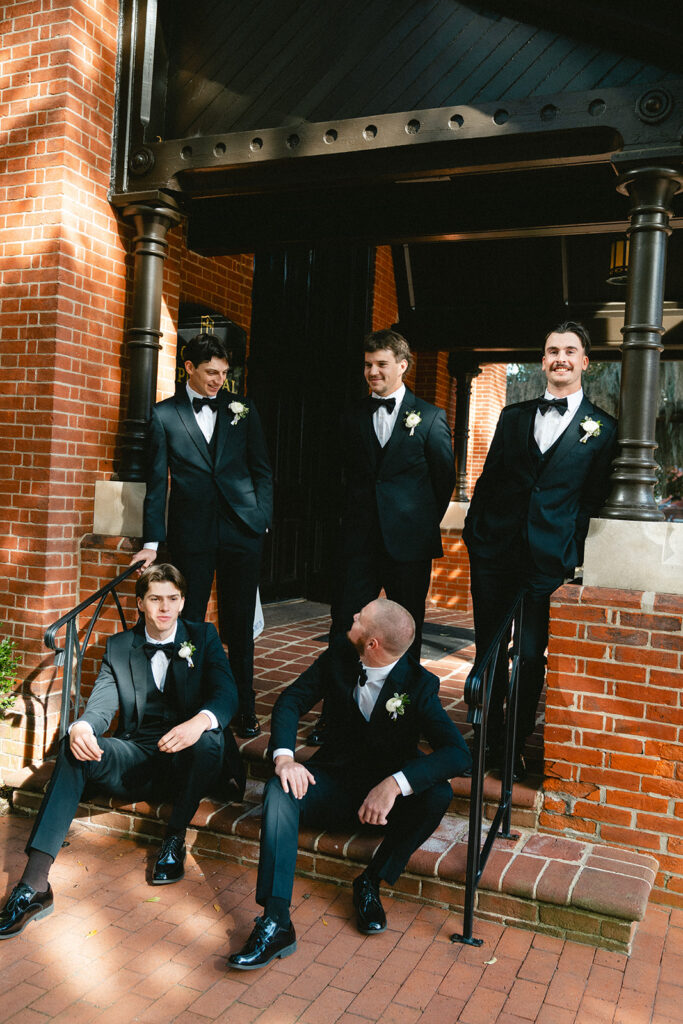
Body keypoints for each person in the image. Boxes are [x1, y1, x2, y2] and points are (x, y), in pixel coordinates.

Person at [0, 564, 243, 940]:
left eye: (173, 599)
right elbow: (100, 707)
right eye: (156, 599)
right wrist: (81, 726)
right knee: (73, 746)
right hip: (138, 757)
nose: (165, 608)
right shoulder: (118, 647)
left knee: (211, 737)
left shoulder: (204, 637)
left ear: (182, 602)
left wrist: (199, 722)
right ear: (141, 604)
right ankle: (34, 887)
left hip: (190, 761)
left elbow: (227, 695)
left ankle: (174, 838)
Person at [228, 598, 471, 970]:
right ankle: (276, 920)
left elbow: (458, 754)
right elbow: (291, 701)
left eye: (360, 618)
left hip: (383, 807)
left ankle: (370, 882)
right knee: (279, 789)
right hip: (332, 784)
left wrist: (393, 784)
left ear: (372, 642)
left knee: (438, 792)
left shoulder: (419, 686)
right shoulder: (339, 656)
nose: (352, 616)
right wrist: (285, 758)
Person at [463, 321, 618, 777]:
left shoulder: (603, 429)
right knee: (489, 650)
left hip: (548, 559)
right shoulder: (514, 416)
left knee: (530, 655)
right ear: (543, 360)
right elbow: (489, 481)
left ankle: (514, 746)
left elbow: (593, 501)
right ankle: (486, 741)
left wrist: (571, 551)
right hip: (494, 553)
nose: (561, 358)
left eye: (570, 351)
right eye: (553, 350)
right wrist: (476, 535)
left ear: (585, 362)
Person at [131, 332, 273, 739]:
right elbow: (157, 484)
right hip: (191, 534)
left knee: (240, 622)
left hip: (243, 530)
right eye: (211, 373)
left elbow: (261, 469)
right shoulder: (164, 415)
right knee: (188, 621)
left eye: (224, 374)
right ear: (189, 368)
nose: (218, 381)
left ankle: (244, 706)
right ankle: (188, 706)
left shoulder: (242, 408)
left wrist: (262, 518)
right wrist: (152, 544)